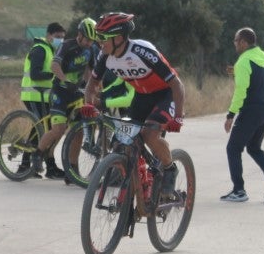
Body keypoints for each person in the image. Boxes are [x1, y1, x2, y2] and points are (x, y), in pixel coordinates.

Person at [83, 11, 185, 196]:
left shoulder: (143, 52)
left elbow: (176, 84)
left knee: (150, 135)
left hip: (165, 94)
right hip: (142, 96)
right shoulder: (105, 55)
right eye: (98, 37)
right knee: (123, 138)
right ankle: (140, 178)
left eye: (103, 37)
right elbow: (91, 84)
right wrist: (88, 105)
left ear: (119, 38)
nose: (99, 41)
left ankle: (169, 169)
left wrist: (178, 116)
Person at [221, 27, 264, 202]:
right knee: (254, 147)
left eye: (236, 40)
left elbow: (241, 91)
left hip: (251, 111)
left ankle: (239, 191)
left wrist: (230, 114)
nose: (234, 44)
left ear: (243, 42)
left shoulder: (243, 62)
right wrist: (236, 72)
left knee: (233, 148)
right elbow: (258, 81)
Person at [31, 17, 99, 178]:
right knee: (59, 129)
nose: (89, 43)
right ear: (80, 34)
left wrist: (94, 88)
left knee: (79, 132)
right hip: (60, 92)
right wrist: (64, 79)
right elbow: (54, 65)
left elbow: (91, 71)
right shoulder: (66, 45)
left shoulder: (91, 49)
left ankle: (72, 171)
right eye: (87, 40)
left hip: (76, 92)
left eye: (92, 41)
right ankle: (37, 154)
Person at [19, 22, 67, 177]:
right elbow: (35, 74)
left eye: (62, 38)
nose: (60, 40)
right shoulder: (40, 49)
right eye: (57, 37)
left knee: (47, 130)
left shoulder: (53, 51)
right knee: (42, 129)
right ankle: (26, 165)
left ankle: (47, 167)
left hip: (46, 97)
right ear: (49, 35)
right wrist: (56, 75)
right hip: (33, 95)